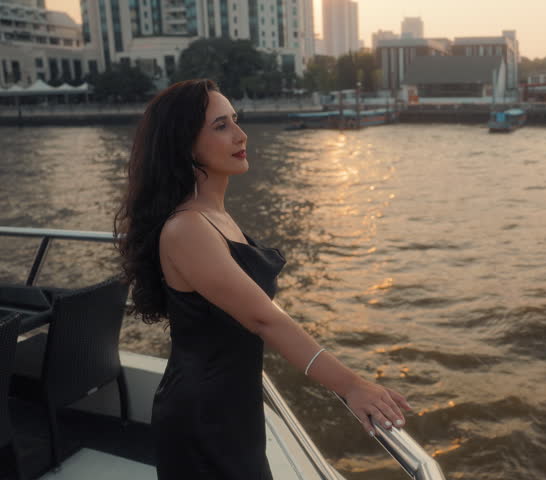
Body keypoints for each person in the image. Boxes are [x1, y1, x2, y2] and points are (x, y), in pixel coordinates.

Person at [114, 79, 410, 479]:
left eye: (236, 121)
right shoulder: (188, 228)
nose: (241, 135)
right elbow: (263, 318)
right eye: (221, 126)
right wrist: (352, 385)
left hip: (233, 404)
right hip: (203, 414)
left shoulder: (214, 216)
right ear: (184, 145)